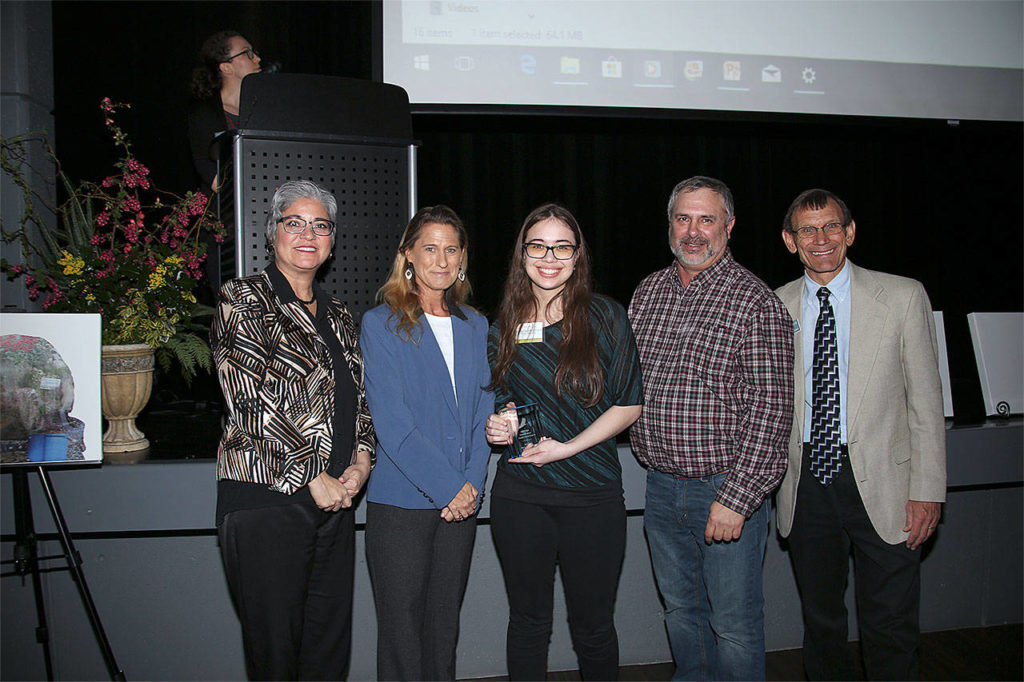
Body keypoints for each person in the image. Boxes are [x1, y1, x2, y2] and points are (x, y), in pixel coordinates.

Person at [775, 188, 946, 680]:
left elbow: (927, 403)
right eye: (807, 230)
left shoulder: (902, 296)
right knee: (822, 623)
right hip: (806, 483)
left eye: (831, 226)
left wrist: (928, 490)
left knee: (890, 624)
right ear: (790, 241)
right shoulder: (773, 304)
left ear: (850, 232)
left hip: (888, 487)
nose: (820, 238)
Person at [629, 175, 793, 681]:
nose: (693, 232)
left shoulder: (756, 302)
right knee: (681, 614)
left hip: (723, 491)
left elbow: (772, 413)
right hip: (660, 490)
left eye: (706, 219)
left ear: (729, 226)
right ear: (670, 225)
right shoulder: (649, 292)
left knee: (735, 627)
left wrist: (737, 499)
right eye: (683, 218)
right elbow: (622, 384)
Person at [211, 179, 375, 680]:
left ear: (331, 240)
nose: (308, 234)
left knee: (327, 650)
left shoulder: (342, 315)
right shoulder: (243, 300)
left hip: (335, 502)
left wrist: (362, 458)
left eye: (320, 225)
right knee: (275, 655)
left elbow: (358, 401)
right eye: (294, 222)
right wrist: (311, 474)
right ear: (272, 234)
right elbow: (247, 400)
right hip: (265, 500)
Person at [484, 203, 644, 680]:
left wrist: (567, 448)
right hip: (521, 497)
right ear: (523, 254)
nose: (549, 256)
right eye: (538, 245)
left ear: (577, 256)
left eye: (562, 246)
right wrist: (503, 424)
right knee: (527, 625)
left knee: (593, 628)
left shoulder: (606, 316)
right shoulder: (505, 325)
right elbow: (507, 402)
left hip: (591, 497)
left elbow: (629, 403)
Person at [359, 205, 493, 681]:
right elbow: (392, 425)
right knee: (402, 632)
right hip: (402, 501)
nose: (441, 260)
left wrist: (471, 486)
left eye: (450, 249)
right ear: (408, 256)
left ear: (462, 258)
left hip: (463, 501)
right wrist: (450, 488)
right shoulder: (381, 324)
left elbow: (484, 414)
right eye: (429, 248)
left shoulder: (477, 326)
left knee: (444, 627)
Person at [188, 30, 261, 191]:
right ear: (226, 67)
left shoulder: (263, 108)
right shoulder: (205, 114)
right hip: (227, 209)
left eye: (254, 52)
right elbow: (212, 176)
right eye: (247, 53)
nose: (257, 59)